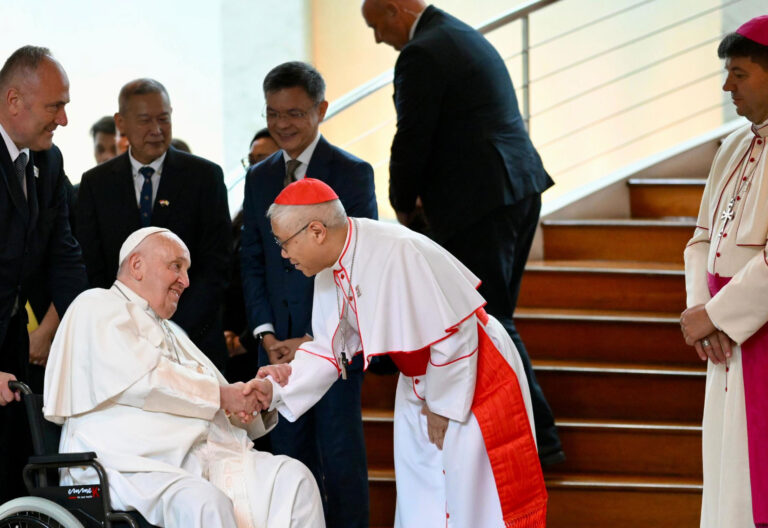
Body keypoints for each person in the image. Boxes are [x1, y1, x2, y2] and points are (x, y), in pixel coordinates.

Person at [251, 178, 547, 528]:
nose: (284, 255)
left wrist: (441, 404)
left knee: (475, 496)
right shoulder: (329, 267)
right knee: (423, 494)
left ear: (316, 231)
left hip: (470, 375)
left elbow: (456, 331)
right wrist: (278, 388)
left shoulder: (398, 250)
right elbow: (330, 350)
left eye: (284, 243)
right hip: (419, 382)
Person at [360, 0, 562, 464]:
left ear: (395, 10)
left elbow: (412, 136)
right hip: (515, 188)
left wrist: (402, 205)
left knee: (485, 318)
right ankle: (523, 435)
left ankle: (539, 440)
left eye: (376, 25)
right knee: (492, 318)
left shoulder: (422, 53)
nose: (377, 39)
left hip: (481, 201)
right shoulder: (458, 34)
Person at [43, 227, 324, 528]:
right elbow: (145, 380)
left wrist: (256, 397)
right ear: (136, 265)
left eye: (187, 271)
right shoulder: (97, 305)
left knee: (294, 480)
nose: (186, 281)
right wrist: (223, 395)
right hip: (130, 464)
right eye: (176, 266)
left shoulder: (172, 331)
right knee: (205, 504)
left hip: (200, 459)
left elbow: (218, 398)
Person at [240, 62, 377, 527]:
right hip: (276, 343)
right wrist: (266, 332)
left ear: (321, 109)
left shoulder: (353, 174)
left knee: (340, 461)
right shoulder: (258, 177)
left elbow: (358, 263)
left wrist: (318, 340)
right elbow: (253, 258)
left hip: (334, 344)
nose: (282, 125)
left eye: (294, 113)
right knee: (286, 462)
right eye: (273, 113)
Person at [76, 78, 232, 372]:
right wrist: (127, 330)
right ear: (121, 122)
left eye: (164, 118)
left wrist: (170, 331)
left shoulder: (205, 177)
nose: (157, 130)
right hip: (118, 345)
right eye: (145, 120)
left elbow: (215, 265)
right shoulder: (96, 184)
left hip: (192, 341)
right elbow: (92, 268)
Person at [681, 15, 768, 528]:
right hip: (726, 338)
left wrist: (717, 314)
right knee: (727, 479)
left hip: (756, 333)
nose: (726, 86)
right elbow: (700, 238)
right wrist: (700, 312)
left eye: (739, 73)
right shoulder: (735, 145)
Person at [0, 45, 88, 503]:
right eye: (56, 107)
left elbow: (65, 256)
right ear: (15, 101)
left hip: (16, 342)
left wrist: (82, 330)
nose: (64, 120)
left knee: (18, 469)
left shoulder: (48, 163)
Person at [225, 128, 281, 382]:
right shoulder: (240, 218)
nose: (254, 168)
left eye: (264, 160)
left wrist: (248, 337)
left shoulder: (290, 218)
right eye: (251, 160)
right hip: (233, 337)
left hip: (268, 338)